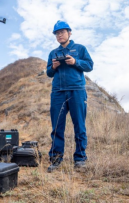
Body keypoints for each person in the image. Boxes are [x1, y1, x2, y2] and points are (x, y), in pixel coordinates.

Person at [46, 20, 94, 172]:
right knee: (57, 127)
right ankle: (55, 159)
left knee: (79, 125)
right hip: (58, 92)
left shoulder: (80, 49)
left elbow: (90, 65)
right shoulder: (53, 53)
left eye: (62, 32)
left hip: (77, 90)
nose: (59, 35)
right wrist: (53, 67)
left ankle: (80, 159)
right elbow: (49, 73)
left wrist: (75, 61)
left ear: (69, 33)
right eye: (57, 33)